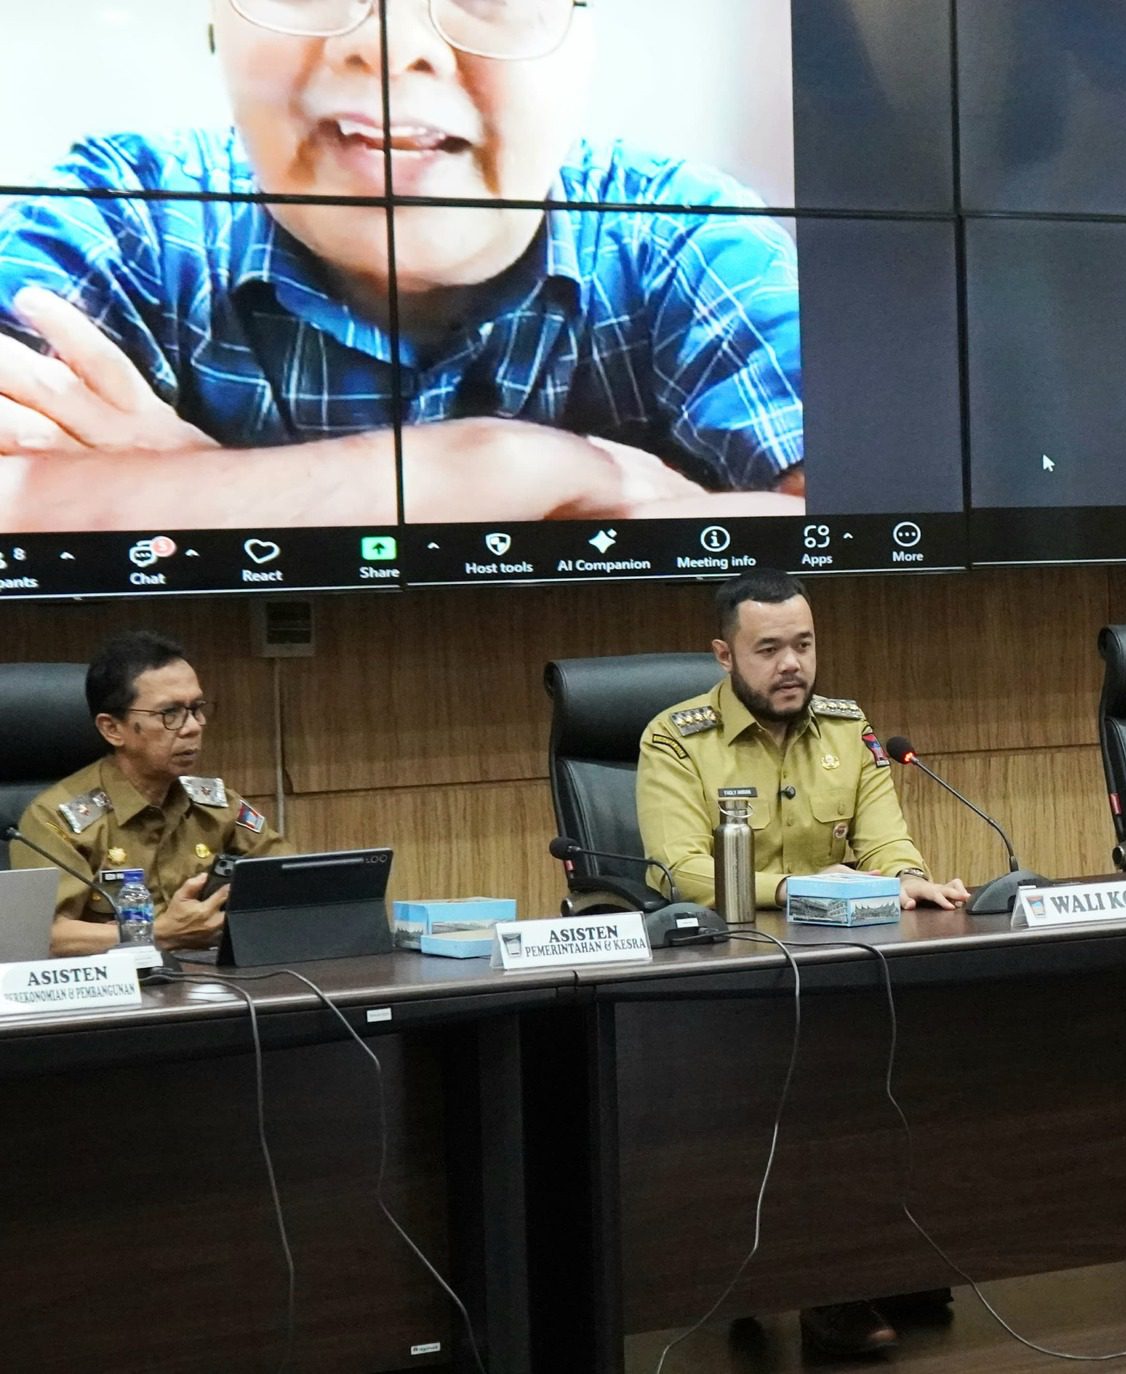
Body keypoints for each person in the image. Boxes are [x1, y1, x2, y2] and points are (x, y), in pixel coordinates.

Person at [0, 0, 802, 529]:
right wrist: (502, 469)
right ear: (215, 21)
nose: (389, 48)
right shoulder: (126, 215)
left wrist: (194, 496)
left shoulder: (676, 235)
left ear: (581, 46)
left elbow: (851, 522)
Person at [634, 568, 968, 1355]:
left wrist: (908, 880)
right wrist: (800, 887)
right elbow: (683, 872)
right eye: (769, 649)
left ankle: (893, 1257)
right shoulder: (674, 739)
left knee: (920, 1063)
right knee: (813, 1091)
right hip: (728, 982)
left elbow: (887, 845)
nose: (792, 664)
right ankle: (822, 1284)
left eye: (805, 645)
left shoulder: (849, 731)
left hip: (837, 968)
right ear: (724, 655)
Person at [10, 630, 285, 956]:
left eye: (196, 708)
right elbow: (47, 937)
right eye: (170, 713)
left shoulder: (216, 804)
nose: (193, 726)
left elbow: (292, 877)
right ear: (112, 729)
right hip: (115, 985)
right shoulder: (55, 820)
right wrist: (156, 934)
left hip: (213, 977)